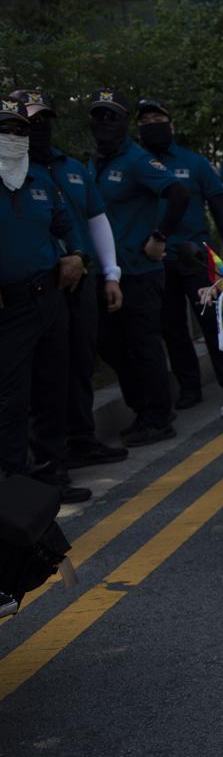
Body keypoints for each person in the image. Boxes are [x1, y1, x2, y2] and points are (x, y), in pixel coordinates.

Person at [14, 89, 128, 473]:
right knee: (43, 375)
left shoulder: (72, 168)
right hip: (39, 286)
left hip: (81, 280)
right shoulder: (14, 171)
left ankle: (81, 439)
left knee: (80, 361)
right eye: (30, 122)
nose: (38, 128)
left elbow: (95, 219)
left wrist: (108, 271)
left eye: (45, 120)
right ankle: (47, 458)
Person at [88, 89, 192, 447]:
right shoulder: (96, 160)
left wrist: (159, 236)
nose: (104, 124)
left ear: (124, 123)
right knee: (111, 345)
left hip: (139, 270)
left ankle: (159, 417)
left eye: (112, 117)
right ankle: (142, 408)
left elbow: (179, 193)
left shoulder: (137, 159)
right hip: (107, 273)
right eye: (99, 117)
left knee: (144, 345)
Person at [135, 98, 223, 417]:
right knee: (171, 327)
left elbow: (218, 205)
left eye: (158, 119)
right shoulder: (136, 163)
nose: (152, 126)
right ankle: (189, 387)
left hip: (194, 256)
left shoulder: (194, 163)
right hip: (154, 260)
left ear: (171, 125)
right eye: (145, 123)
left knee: (213, 322)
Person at [0, 98, 91, 500]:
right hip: (8, 307)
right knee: (12, 400)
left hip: (49, 297)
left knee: (54, 387)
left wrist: (77, 254)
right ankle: (16, 490)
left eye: (22, 130)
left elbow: (67, 222)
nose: (16, 138)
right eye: (6, 130)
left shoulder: (39, 180)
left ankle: (52, 476)